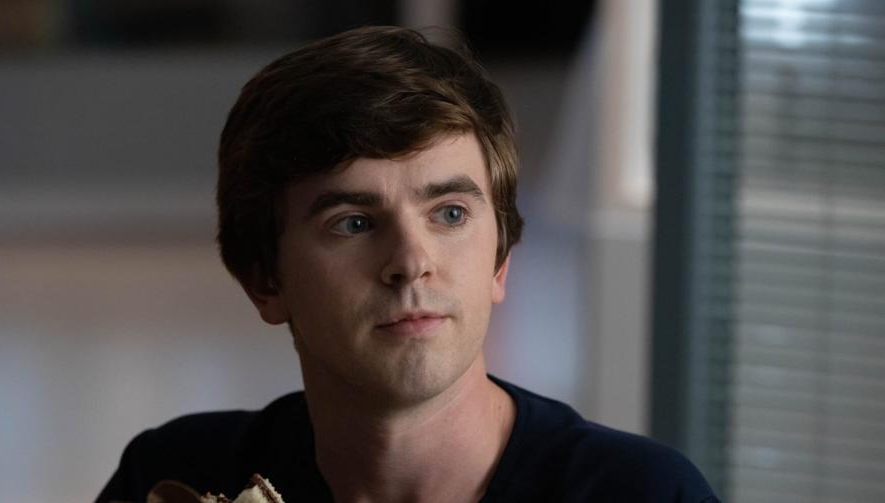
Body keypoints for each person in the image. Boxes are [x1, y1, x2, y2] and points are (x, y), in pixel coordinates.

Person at [96, 26, 718, 503]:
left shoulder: (642, 493)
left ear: (500, 262)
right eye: (353, 223)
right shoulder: (172, 475)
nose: (411, 263)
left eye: (450, 214)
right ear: (264, 279)